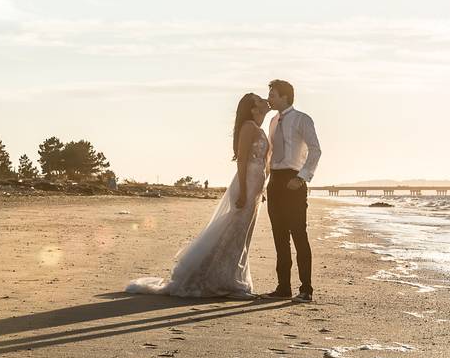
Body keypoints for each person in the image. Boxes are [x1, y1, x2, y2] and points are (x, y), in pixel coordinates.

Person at [125, 93, 271, 298]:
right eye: (259, 98)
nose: (265, 99)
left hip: (256, 186)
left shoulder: (260, 128)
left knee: (242, 234)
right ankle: (225, 281)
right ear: (253, 108)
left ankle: (232, 279)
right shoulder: (248, 127)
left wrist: (261, 189)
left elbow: (265, 163)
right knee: (234, 233)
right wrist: (245, 191)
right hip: (246, 183)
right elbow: (242, 161)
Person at [265, 79, 322, 303]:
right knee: (279, 236)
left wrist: (301, 178)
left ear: (285, 97)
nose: (269, 98)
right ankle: (283, 287)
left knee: (298, 235)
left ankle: (306, 289)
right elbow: (270, 153)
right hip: (275, 181)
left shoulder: (302, 119)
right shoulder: (272, 121)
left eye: (272, 95)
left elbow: (315, 150)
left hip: (294, 179)